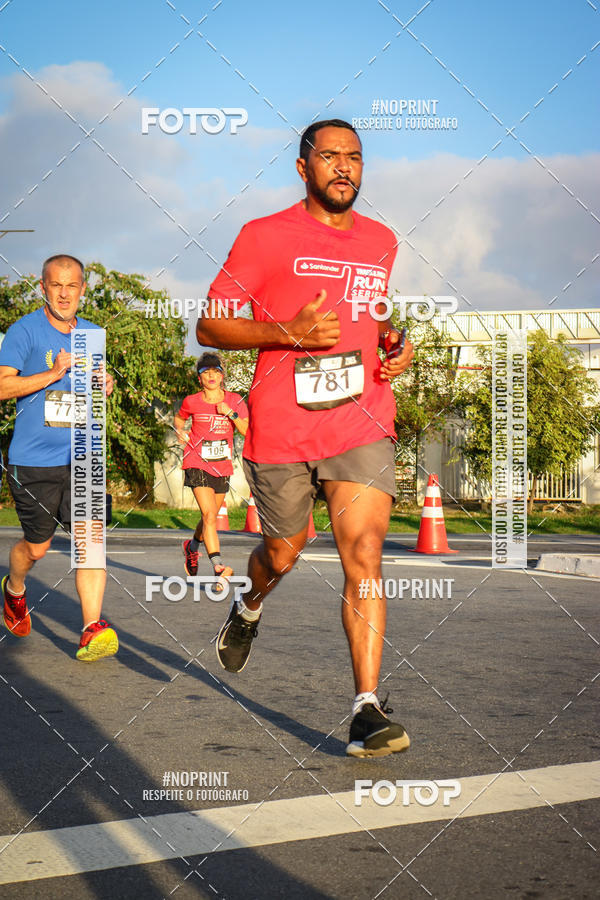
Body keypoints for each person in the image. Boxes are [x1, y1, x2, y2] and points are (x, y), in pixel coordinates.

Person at [197, 119, 415, 758]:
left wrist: (392, 346)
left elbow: (370, 318)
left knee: (364, 555)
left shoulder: (381, 240)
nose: (344, 168)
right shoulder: (263, 237)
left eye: (355, 157)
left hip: (361, 417)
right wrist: (284, 332)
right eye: (330, 157)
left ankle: (366, 709)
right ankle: (250, 604)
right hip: (284, 427)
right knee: (283, 553)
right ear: (303, 167)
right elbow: (212, 325)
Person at [0, 254, 117, 661]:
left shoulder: (92, 335)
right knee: (36, 548)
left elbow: (93, 394)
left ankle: (90, 628)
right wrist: (52, 374)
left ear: (83, 289)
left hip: (83, 457)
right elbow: (2, 387)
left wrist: (106, 384)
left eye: (73, 286)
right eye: (57, 285)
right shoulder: (24, 331)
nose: (65, 293)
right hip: (34, 461)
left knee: (92, 542)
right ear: (43, 287)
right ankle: (14, 590)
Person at [174, 352, 248, 580]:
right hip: (196, 462)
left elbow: (246, 430)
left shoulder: (235, 400)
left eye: (215, 371)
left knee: (211, 516)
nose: (211, 376)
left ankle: (192, 547)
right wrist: (180, 432)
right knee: (208, 514)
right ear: (200, 379)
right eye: (206, 373)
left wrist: (231, 413)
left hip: (221, 465)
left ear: (222, 376)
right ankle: (218, 565)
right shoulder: (192, 401)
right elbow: (179, 418)